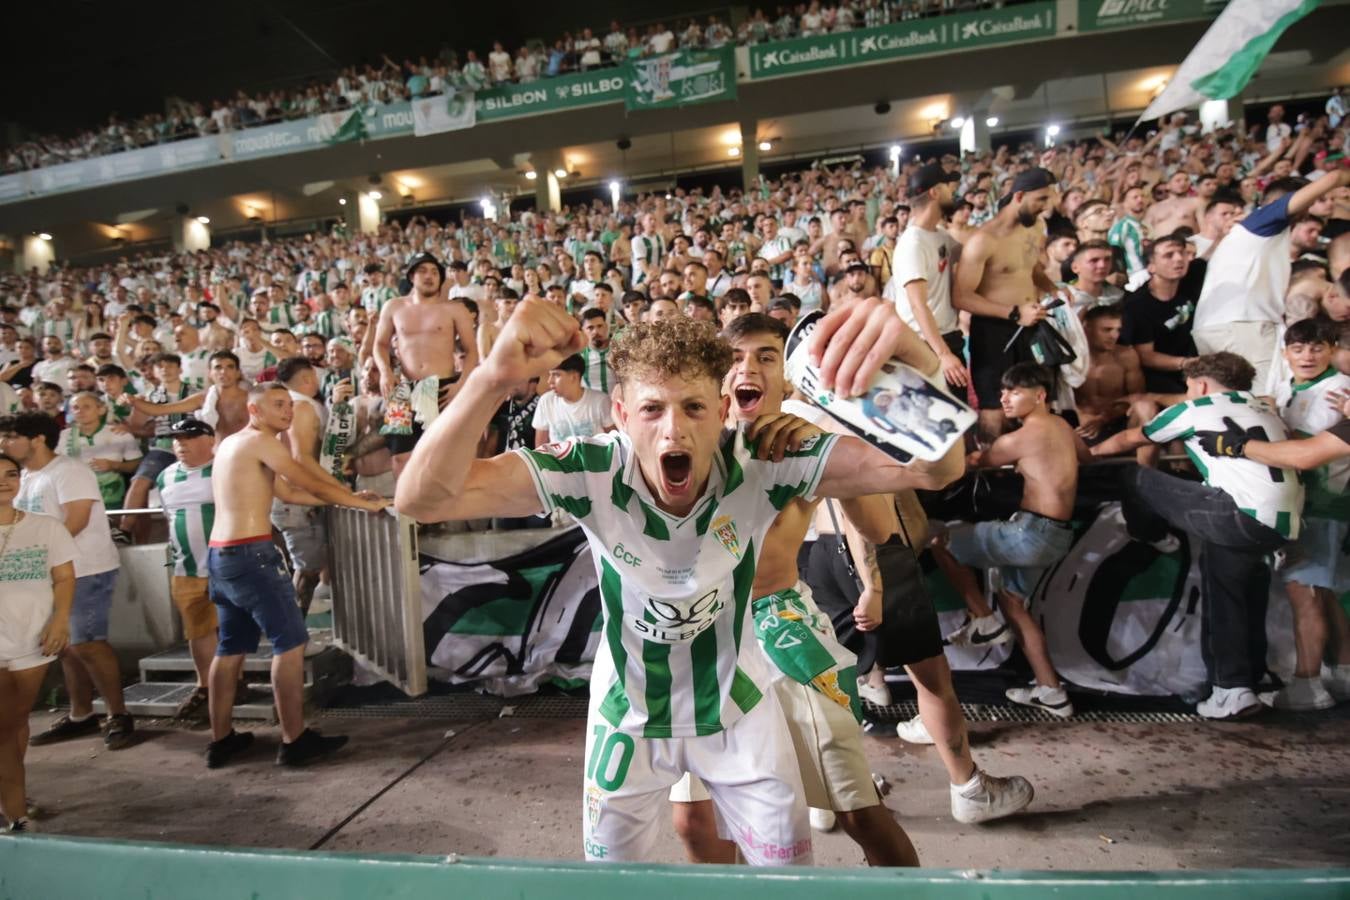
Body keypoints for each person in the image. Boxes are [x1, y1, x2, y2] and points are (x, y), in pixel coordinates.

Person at [394, 297, 963, 865]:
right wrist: (491, 378)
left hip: (741, 713)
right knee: (621, 883)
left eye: (693, 408)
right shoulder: (590, 467)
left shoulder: (769, 458)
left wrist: (923, 368)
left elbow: (936, 469)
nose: (674, 431)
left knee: (789, 883)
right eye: (652, 410)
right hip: (627, 716)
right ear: (619, 414)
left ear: (720, 410)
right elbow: (419, 499)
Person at [669, 314, 922, 865]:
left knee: (856, 811)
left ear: (788, 378)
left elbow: (880, 529)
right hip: (702, 637)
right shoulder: (689, 441)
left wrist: (836, 446)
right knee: (694, 821)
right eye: (736, 357)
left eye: (766, 356)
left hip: (781, 630)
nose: (749, 367)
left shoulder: (806, 444)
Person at [1092, 353, 1303, 719]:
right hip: (1281, 523)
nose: (1188, 393)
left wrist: (1088, 453)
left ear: (1201, 385)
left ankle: (1153, 534)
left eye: (1189, 387)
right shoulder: (1261, 406)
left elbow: (1132, 437)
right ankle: (1245, 683)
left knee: (1134, 478)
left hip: (1240, 515)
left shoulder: (1197, 407)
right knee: (1236, 593)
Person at [203, 382, 386, 769]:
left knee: (230, 647)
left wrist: (348, 499)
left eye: (289, 404)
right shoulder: (259, 441)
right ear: (255, 410)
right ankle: (294, 739)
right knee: (289, 644)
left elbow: (288, 493)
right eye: (277, 405)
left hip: (222, 555)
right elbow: (304, 477)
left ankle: (220, 740)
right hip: (251, 554)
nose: (287, 411)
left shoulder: (233, 444)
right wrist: (356, 500)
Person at [930, 363, 1085, 716]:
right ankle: (1052, 691)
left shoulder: (1020, 437)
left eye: (1014, 392)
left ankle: (984, 620)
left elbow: (973, 462)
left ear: (1040, 395)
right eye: (1002, 392)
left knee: (939, 539)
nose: (1004, 398)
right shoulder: (1064, 426)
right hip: (1057, 536)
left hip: (1030, 533)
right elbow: (1087, 456)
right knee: (1014, 603)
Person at [0, 412, 132, 749]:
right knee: (66, 648)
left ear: (38, 439)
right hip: (52, 572)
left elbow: (77, 519)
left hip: (86, 568)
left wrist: (39, 554)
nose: (4, 443)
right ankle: (81, 714)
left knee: (87, 643)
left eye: (11, 436)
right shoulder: (25, 476)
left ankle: (118, 714)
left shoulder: (69, 471)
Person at [1191, 169, 1350, 391]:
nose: (1308, 210)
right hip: (1244, 325)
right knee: (1263, 400)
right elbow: (1333, 178)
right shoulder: (1263, 219)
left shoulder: (1256, 231)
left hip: (1226, 325)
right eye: (1308, 202)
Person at [1261, 319, 1350, 709]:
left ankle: (1307, 685)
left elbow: (1308, 447)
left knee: (1305, 592)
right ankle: (1344, 672)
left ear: (1331, 350)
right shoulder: (1284, 388)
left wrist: (1267, 420)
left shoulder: (1340, 388)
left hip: (1324, 503)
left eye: (1316, 348)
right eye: (1298, 349)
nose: (1307, 356)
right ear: (1285, 354)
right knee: (1322, 592)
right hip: (1299, 502)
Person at [0, 451, 75, 834]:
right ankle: (16, 814)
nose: (4, 482)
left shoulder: (46, 527)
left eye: (11, 474)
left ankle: (13, 805)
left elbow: (64, 578)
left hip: (34, 640)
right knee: (3, 729)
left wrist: (60, 621)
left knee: (14, 724)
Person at [955, 168, 1060, 440]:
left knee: (1036, 398)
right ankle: (992, 471)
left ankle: (1033, 463)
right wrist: (1013, 313)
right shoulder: (982, 240)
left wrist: (1052, 288)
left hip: (1030, 325)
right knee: (995, 405)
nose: (1045, 207)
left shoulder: (1035, 227)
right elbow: (962, 296)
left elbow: (1029, 267)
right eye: (1040, 200)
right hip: (994, 330)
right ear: (1019, 196)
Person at [373, 253, 479, 478]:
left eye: (434, 272)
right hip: (402, 391)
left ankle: (445, 511)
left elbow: (472, 351)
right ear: (411, 276)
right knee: (400, 456)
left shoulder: (454, 309)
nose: (429, 276)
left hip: (443, 388)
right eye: (422, 271)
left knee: (443, 455)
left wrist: (461, 384)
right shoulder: (393, 307)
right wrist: (384, 372)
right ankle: (407, 511)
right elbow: (380, 345)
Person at [154, 418, 221, 720]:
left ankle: (235, 682)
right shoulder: (165, 477)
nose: (181, 444)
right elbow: (169, 519)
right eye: (177, 439)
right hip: (187, 567)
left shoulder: (224, 468)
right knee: (198, 629)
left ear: (210, 439)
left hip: (226, 563)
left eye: (189, 438)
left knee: (231, 626)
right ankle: (205, 685)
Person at [891, 162, 966, 393]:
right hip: (926, 344)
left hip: (947, 336)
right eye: (947, 186)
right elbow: (917, 304)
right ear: (934, 192)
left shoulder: (940, 235)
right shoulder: (912, 243)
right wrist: (943, 354)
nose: (952, 190)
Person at [1119, 235, 1199, 395]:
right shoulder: (1138, 305)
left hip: (1191, 369)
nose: (1178, 259)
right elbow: (1145, 355)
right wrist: (1186, 363)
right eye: (1169, 255)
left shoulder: (1191, 282)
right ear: (1151, 266)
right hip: (1157, 378)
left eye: (1182, 253)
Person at [58, 391, 142, 510]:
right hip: (73, 498)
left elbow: (135, 464)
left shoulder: (119, 433)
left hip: (111, 498)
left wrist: (114, 465)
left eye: (86, 407)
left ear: (101, 410)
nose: (80, 411)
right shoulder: (62, 437)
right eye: (75, 407)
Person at [532, 354, 613, 446]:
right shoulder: (546, 401)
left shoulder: (600, 401)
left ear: (574, 377)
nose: (550, 381)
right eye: (550, 375)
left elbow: (615, 441)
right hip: (558, 460)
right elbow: (540, 447)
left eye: (556, 375)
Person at [577, 308, 613, 394]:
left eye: (600, 326)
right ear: (582, 331)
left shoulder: (620, 349)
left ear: (606, 327)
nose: (596, 331)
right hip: (592, 405)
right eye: (590, 328)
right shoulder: (579, 356)